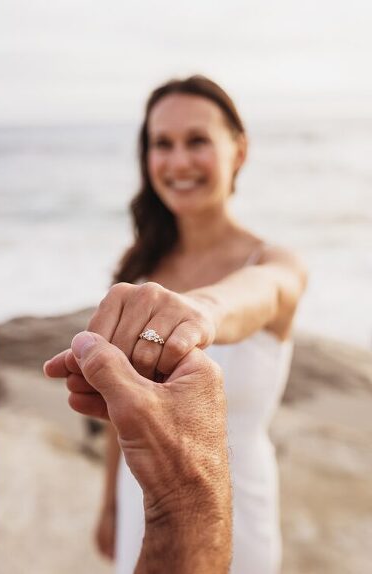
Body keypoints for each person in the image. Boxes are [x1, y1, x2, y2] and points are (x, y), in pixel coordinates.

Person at [52, 76, 307, 573]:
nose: (179, 161)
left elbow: (261, 292)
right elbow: (118, 408)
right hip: (140, 495)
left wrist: (202, 312)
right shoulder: (137, 273)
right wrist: (110, 503)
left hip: (235, 499)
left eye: (197, 141)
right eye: (161, 144)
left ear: (240, 150)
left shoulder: (274, 263)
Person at [44, 331, 232, 573]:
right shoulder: (127, 297)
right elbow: (120, 414)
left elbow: (230, 303)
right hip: (137, 476)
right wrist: (110, 504)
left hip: (242, 475)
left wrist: (194, 321)